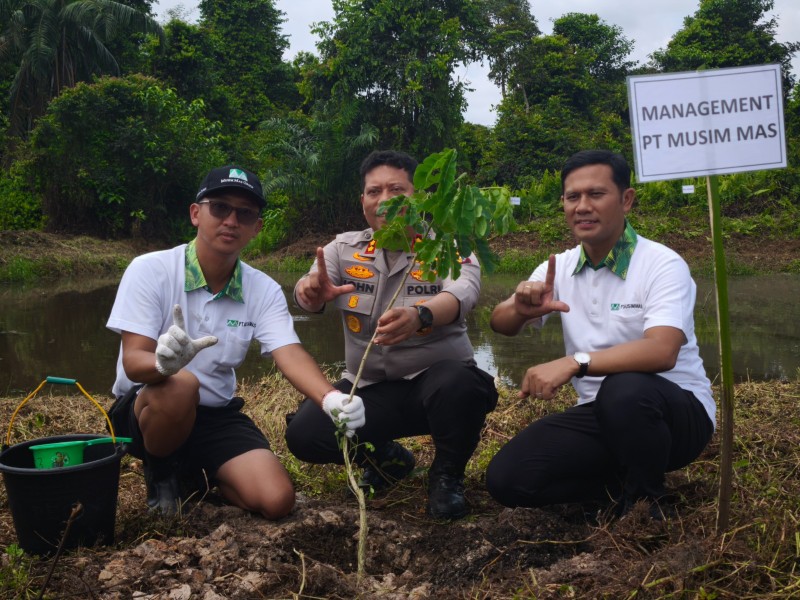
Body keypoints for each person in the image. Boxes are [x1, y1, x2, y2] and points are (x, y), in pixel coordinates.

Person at [106, 165, 364, 518]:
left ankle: (197, 475)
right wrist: (163, 366)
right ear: (196, 213)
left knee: (276, 500)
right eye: (220, 208)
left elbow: (289, 353)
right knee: (181, 384)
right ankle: (162, 472)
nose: (231, 220)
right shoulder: (150, 270)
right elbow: (134, 362)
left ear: (256, 227)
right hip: (148, 407)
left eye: (245, 213)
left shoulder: (262, 289)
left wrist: (330, 397)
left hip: (215, 416)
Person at [485, 150, 716, 519]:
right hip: (600, 415)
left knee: (624, 388)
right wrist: (519, 307)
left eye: (596, 194)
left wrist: (575, 363)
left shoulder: (661, 264)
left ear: (626, 200)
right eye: (572, 197)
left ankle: (647, 504)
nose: (582, 206)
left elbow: (662, 351)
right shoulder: (557, 268)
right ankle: (617, 488)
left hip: (674, 414)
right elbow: (500, 324)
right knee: (507, 479)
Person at [284, 150, 498, 520]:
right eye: (373, 191)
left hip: (434, 389)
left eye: (396, 189)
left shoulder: (449, 245)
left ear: (419, 197)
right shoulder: (342, 249)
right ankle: (387, 459)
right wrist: (308, 291)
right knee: (305, 433)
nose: (384, 200)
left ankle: (447, 476)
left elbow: (464, 292)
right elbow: (312, 288)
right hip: (368, 388)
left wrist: (421, 315)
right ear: (363, 201)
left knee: (460, 385)